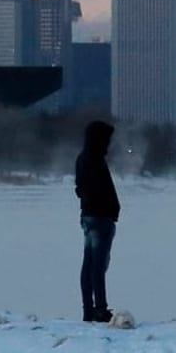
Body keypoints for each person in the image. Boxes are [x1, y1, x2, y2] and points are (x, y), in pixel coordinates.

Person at [75, 119, 121, 323]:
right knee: (98, 266)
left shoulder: (84, 158)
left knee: (90, 264)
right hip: (100, 217)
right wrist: (109, 208)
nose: (109, 143)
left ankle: (89, 309)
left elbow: (80, 188)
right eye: (107, 139)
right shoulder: (94, 159)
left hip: (89, 215)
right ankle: (100, 309)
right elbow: (98, 189)